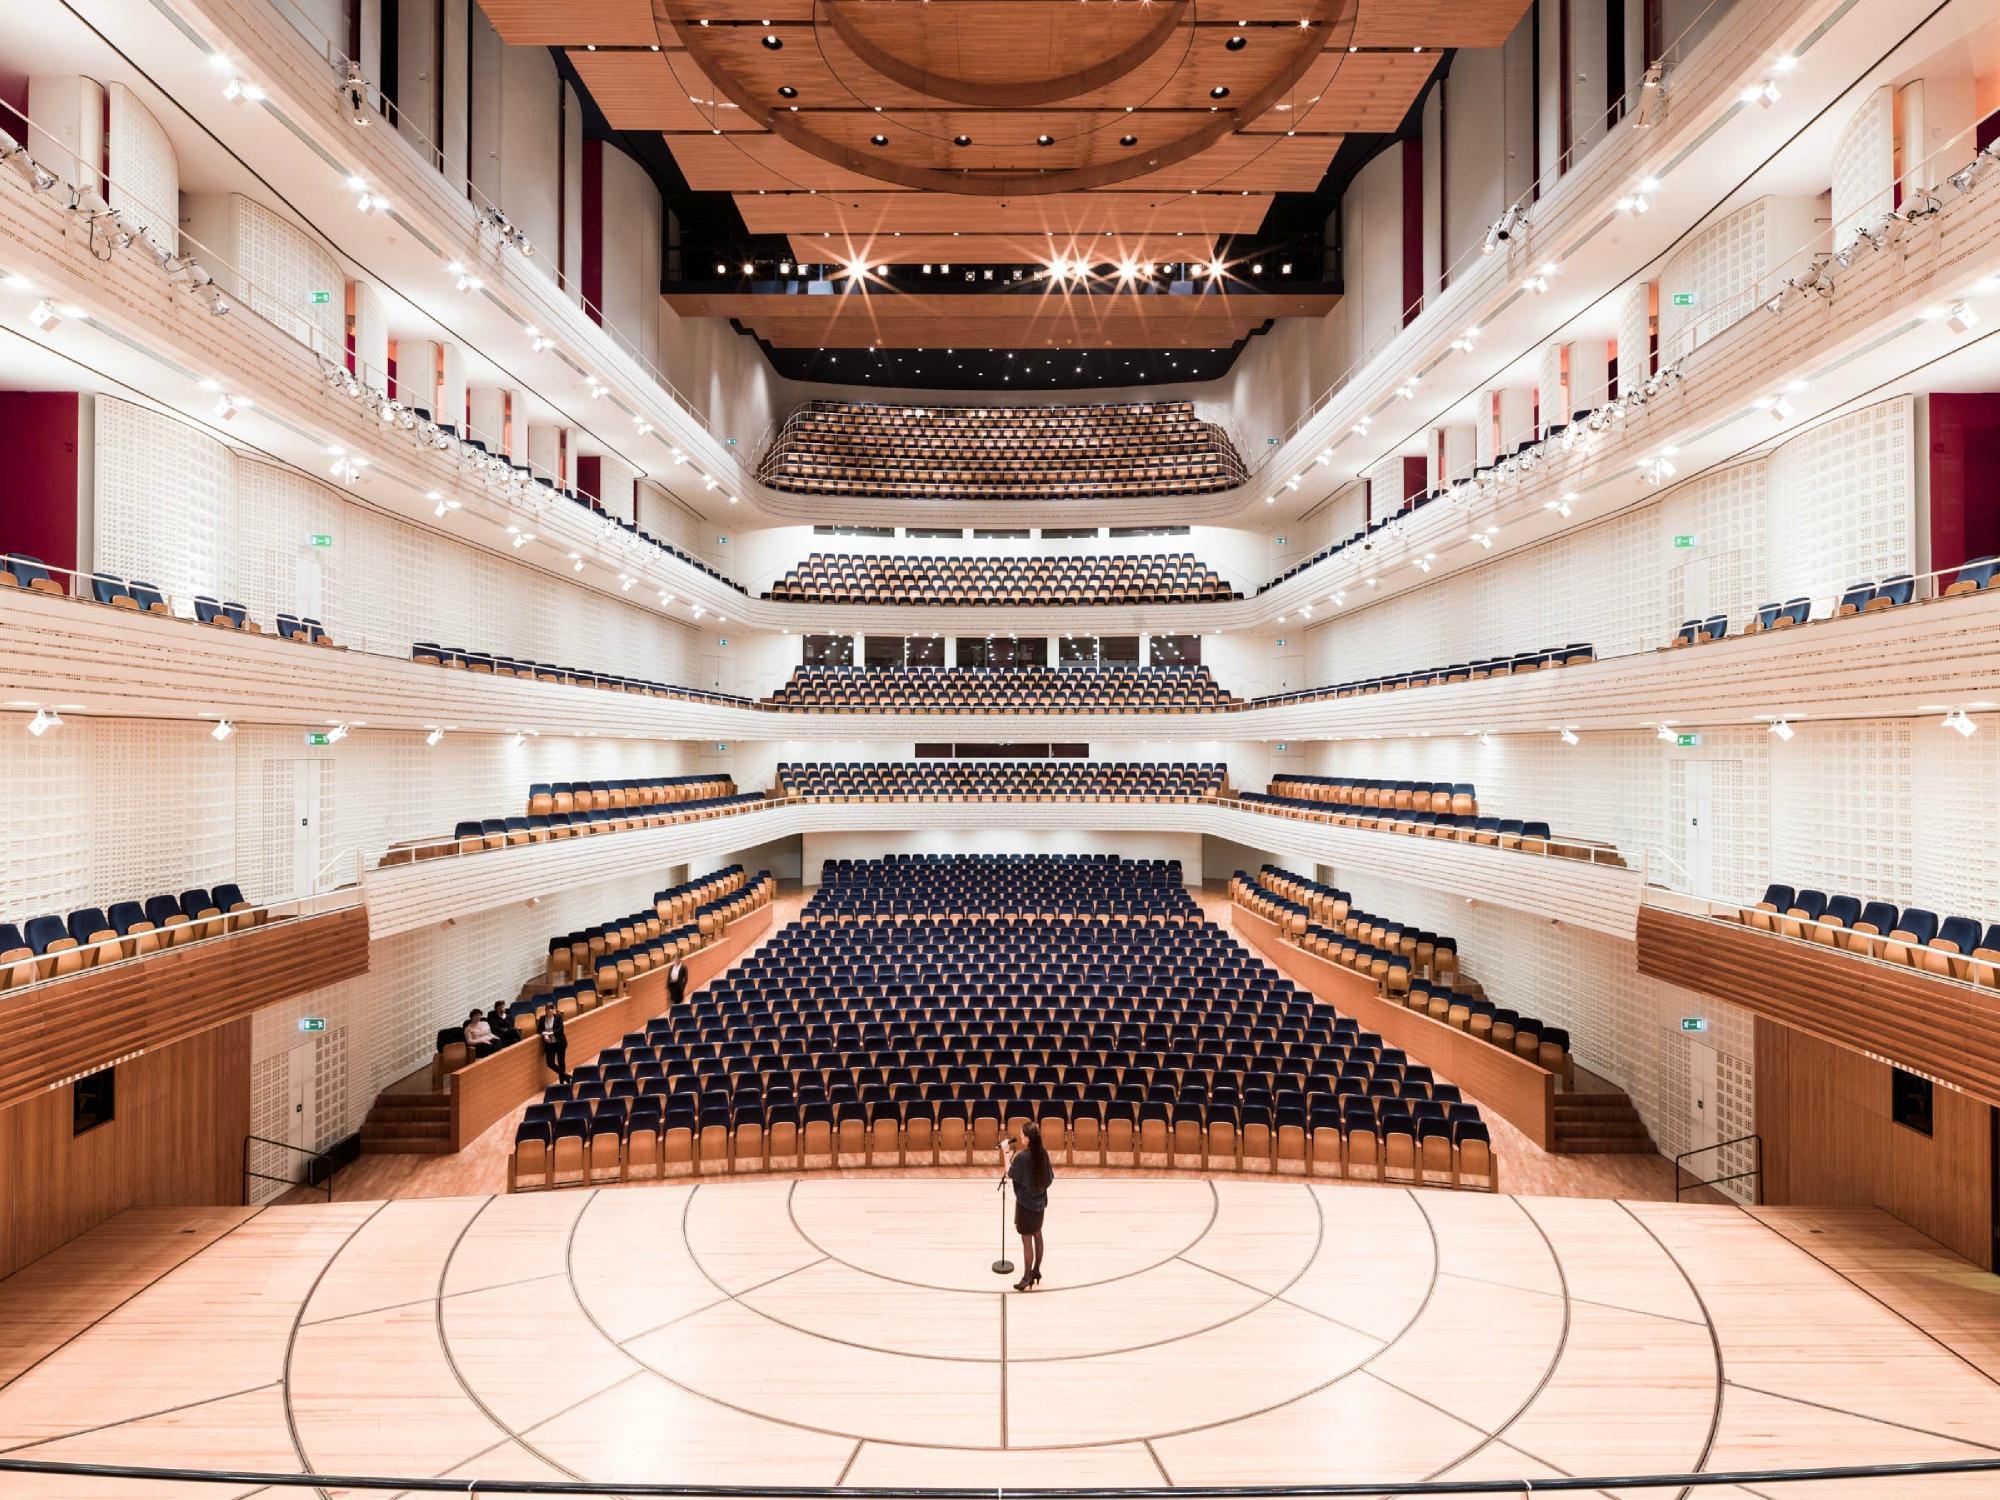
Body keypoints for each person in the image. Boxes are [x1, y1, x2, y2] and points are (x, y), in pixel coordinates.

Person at [1002, 1121, 1053, 1291]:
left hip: (1025, 1206)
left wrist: (1006, 1154)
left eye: (1022, 1134)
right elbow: (1049, 1178)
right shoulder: (1043, 1153)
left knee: (1027, 1241)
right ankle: (1036, 1270)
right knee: (1037, 1234)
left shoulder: (1023, 1157)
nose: (1020, 1136)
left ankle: (1026, 1277)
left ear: (1028, 1138)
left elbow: (1010, 1173)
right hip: (1040, 1204)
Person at [538, 1004, 570, 1084]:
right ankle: (566, 1076)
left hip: (560, 1043)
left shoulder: (558, 1017)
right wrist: (544, 1034)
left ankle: (562, 1082)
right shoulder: (542, 1018)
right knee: (550, 1063)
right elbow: (539, 1029)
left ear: (553, 1010)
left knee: (561, 1062)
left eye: (550, 1009)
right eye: (547, 1009)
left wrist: (550, 1033)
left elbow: (560, 1029)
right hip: (550, 1044)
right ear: (545, 1010)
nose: (549, 1011)